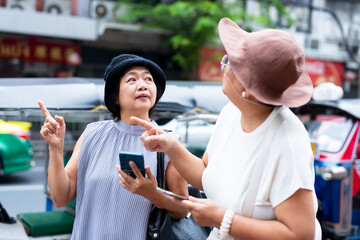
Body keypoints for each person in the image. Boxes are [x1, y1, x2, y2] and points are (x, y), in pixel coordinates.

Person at [131, 18, 321, 240]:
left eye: (233, 62)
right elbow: (206, 175)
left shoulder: (287, 142)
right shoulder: (231, 114)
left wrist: (224, 220)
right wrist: (170, 145)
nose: (225, 64)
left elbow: (300, 234)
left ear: (248, 89)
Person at [38, 54, 188, 240]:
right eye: (132, 79)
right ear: (115, 96)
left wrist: (152, 194)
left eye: (148, 79)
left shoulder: (169, 142)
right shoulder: (92, 134)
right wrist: (55, 148)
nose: (143, 85)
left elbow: (183, 208)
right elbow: (60, 198)